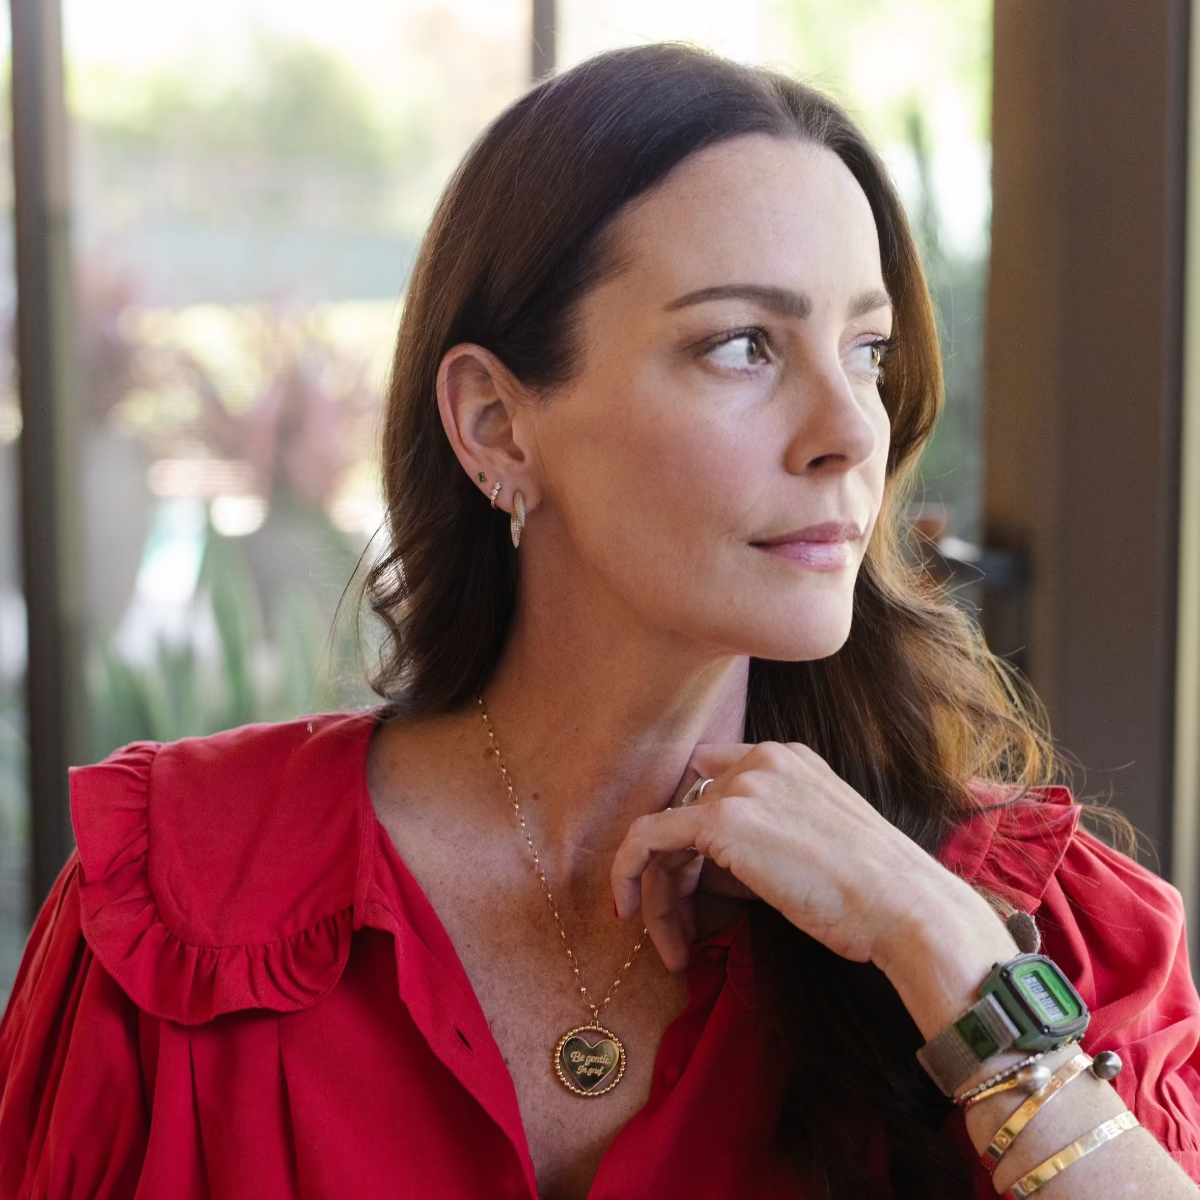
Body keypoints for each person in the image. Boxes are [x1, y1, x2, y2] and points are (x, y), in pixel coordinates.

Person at [2, 42, 1200, 1200]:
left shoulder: (1036, 928)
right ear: (496, 426)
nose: (851, 432)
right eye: (743, 346)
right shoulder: (181, 894)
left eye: (868, 350)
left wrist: (949, 958)